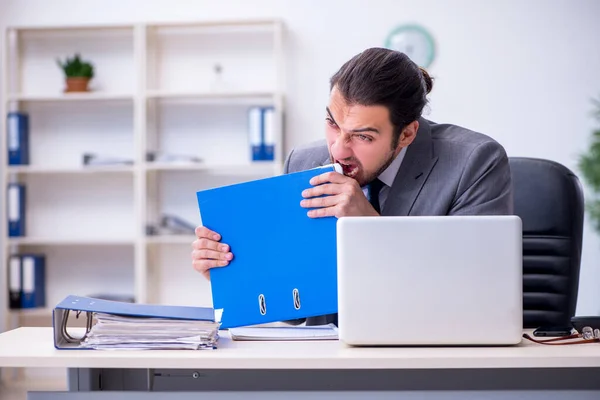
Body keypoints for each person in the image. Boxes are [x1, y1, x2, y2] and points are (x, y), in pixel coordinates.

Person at [191, 47, 513, 326]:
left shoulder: (474, 163)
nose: (337, 149)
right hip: (326, 371)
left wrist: (370, 226)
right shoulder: (303, 161)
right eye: (333, 123)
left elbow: (472, 296)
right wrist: (233, 274)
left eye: (363, 136)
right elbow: (295, 309)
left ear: (407, 135)